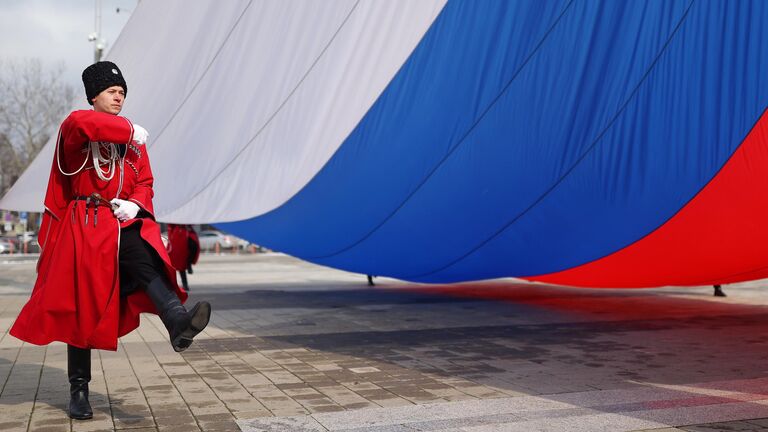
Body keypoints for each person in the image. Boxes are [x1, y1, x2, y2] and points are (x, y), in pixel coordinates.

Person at [9, 61, 211, 420]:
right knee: (80, 306)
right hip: (83, 226)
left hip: (118, 223)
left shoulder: (132, 143)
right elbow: (81, 124)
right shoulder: (80, 127)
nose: (119, 96)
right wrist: (128, 129)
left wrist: (135, 203)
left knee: (145, 258)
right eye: (112, 91)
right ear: (94, 95)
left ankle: (177, 320)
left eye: (122, 92)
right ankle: (79, 389)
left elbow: (146, 180)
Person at [167, 224, 200, 291]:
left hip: (186, 233)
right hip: (177, 235)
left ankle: (189, 263)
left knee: (194, 246)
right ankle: (178, 285)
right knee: (178, 266)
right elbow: (170, 224)